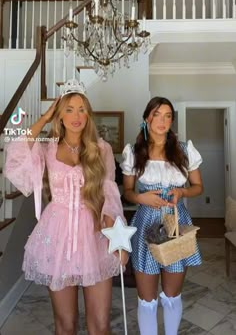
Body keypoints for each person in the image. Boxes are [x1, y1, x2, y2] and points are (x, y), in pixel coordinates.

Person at [4, 79, 128, 335]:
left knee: (100, 325)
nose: (76, 115)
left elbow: (110, 194)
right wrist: (44, 116)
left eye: (81, 109)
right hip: (57, 237)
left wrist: (116, 236)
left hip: (94, 236)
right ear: (59, 116)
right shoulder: (47, 148)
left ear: (88, 114)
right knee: (65, 324)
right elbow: (15, 154)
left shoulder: (101, 149)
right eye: (69, 109)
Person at [120, 96, 203, 335]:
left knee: (172, 294)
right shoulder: (134, 152)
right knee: (147, 299)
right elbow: (127, 191)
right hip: (146, 222)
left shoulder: (185, 150)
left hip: (176, 224)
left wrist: (183, 191)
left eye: (168, 116)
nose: (162, 121)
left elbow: (198, 186)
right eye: (157, 114)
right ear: (147, 118)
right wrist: (140, 198)